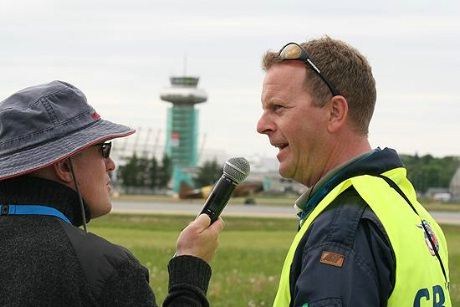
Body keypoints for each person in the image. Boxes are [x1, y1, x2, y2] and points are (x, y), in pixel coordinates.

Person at [257, 37, 451, 306]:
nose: (261, 125)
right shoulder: (409, 210)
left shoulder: (342, 229)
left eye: (277, 107)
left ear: (335, 112)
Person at [0, 80, 224, 306]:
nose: (111, 165)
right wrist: (190, 271)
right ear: (65, 167)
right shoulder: (106, 270)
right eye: (103, 150)